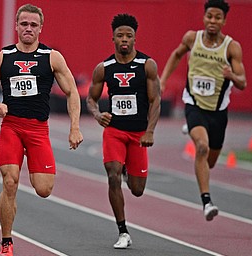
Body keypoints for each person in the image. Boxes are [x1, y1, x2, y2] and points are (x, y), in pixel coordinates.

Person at [0, 4, 83, 255]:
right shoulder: (2, 57)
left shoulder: (52, 57)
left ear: (40, 28)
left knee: (44, 189)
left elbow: (72, 92)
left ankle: (13, 208)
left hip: (38, 130)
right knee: (10, 181)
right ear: (16, 26)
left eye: (33, 25)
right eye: (24, 24)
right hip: (12, 127)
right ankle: (6, 242)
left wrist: (75, 128)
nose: (28, 28)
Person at [160, 0, 246, 221]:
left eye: (218, 17)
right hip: (194, 104)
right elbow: (176, 55)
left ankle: (193, 128)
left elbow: (243, 82)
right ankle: (207, 202)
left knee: (210, 162)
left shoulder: (231, 47)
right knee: (201, 147)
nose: (212, 21)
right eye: (209, 16)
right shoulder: (192, 38)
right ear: (204, 17)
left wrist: (232, 76)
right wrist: (163, 80)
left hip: (218, 111)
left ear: (224, 21)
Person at [86, 13, 161, 248]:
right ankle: (123, 231)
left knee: (137, 190)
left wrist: (149, 131)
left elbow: (155, 99)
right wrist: (98, 115)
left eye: (129, 35)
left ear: (135, 39)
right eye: (120, 35)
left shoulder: (146, 65)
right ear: (113, 39)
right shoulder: (104, 68)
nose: (125, 39)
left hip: (138, 134)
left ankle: (129, 168)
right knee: (112, 175)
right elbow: (91, 98)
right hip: (114, 131)